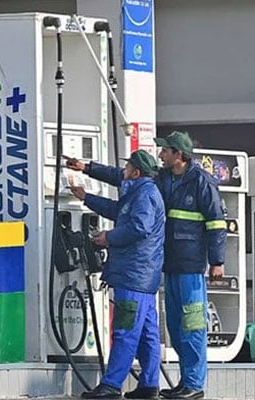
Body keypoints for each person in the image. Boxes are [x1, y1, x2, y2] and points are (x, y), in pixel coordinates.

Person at [65, 131, 226, 400]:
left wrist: (217, 261)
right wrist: (87, 168)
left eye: (165, 151)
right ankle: (173, 384)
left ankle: (194, 384)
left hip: (189, 266)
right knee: (173, 327)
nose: (160, 154)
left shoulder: (200, 182)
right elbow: (121, 176)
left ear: (179, 154)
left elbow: (216, 223)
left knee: (192, 325)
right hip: (167, 264)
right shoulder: (160, 179)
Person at [70, 150, 165, 400]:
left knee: (124, 330)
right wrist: (86, 197)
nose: (123, 171)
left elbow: (137, 227)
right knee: (147, 333)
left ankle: (112, 385)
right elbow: (117, 211)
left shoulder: (144, 194)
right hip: (143, 275)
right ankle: (148, 385)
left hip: (133, 274)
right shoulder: (140, 191)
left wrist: (107, 238)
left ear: (135, 171)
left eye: (127, 167)